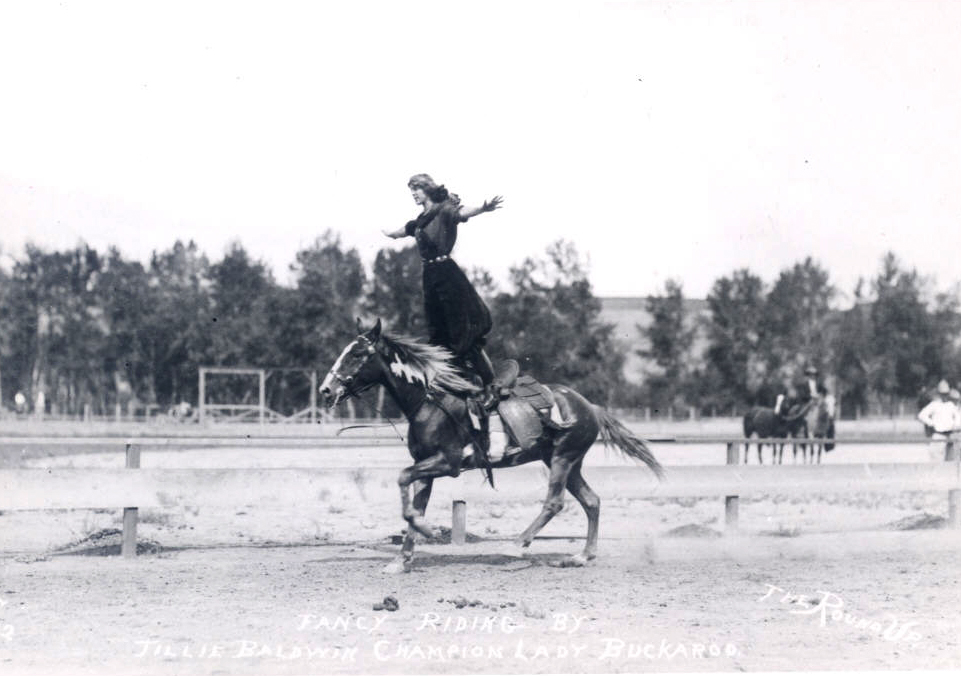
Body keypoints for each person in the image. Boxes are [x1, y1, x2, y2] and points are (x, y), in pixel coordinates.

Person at [383, 173, 504, 401]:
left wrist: (483, 208)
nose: (413, 194)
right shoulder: (421, 219)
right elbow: (405, 230)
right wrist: (391, 234)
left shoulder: (444, 210)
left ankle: (492, 386)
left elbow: (461, 213)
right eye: (411, 191)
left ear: (426, 189)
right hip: (430, 277)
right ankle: (454, 386)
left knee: (463, 336)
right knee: (439, 336)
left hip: (448, 276)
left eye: (416, 190)